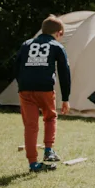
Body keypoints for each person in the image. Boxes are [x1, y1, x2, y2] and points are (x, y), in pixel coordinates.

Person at [15, 15, 71, 172]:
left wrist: (22, 84)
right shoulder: (56, 47)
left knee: (30, 126)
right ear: (59, 33)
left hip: (25, 89)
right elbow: (64, 72)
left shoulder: (26, 44)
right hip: (45, 88)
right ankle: (48, 151)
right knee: (50, 117)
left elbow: (16, 66)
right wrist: (66, 98)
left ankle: (33, 163)